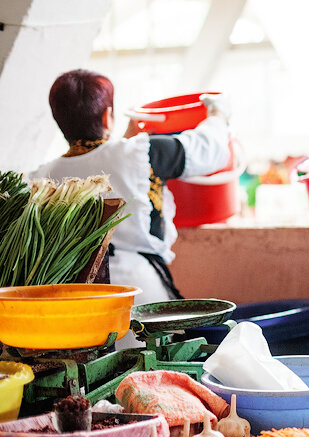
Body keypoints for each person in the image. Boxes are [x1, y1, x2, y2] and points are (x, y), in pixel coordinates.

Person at [36, 69, 231, 306]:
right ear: (108, 116)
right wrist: (218, 114)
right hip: (137, 292)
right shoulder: (142, 153)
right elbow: (209, 151)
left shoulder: (41, 178)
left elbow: (98, 161)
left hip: (76, 299)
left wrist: (126, 143)